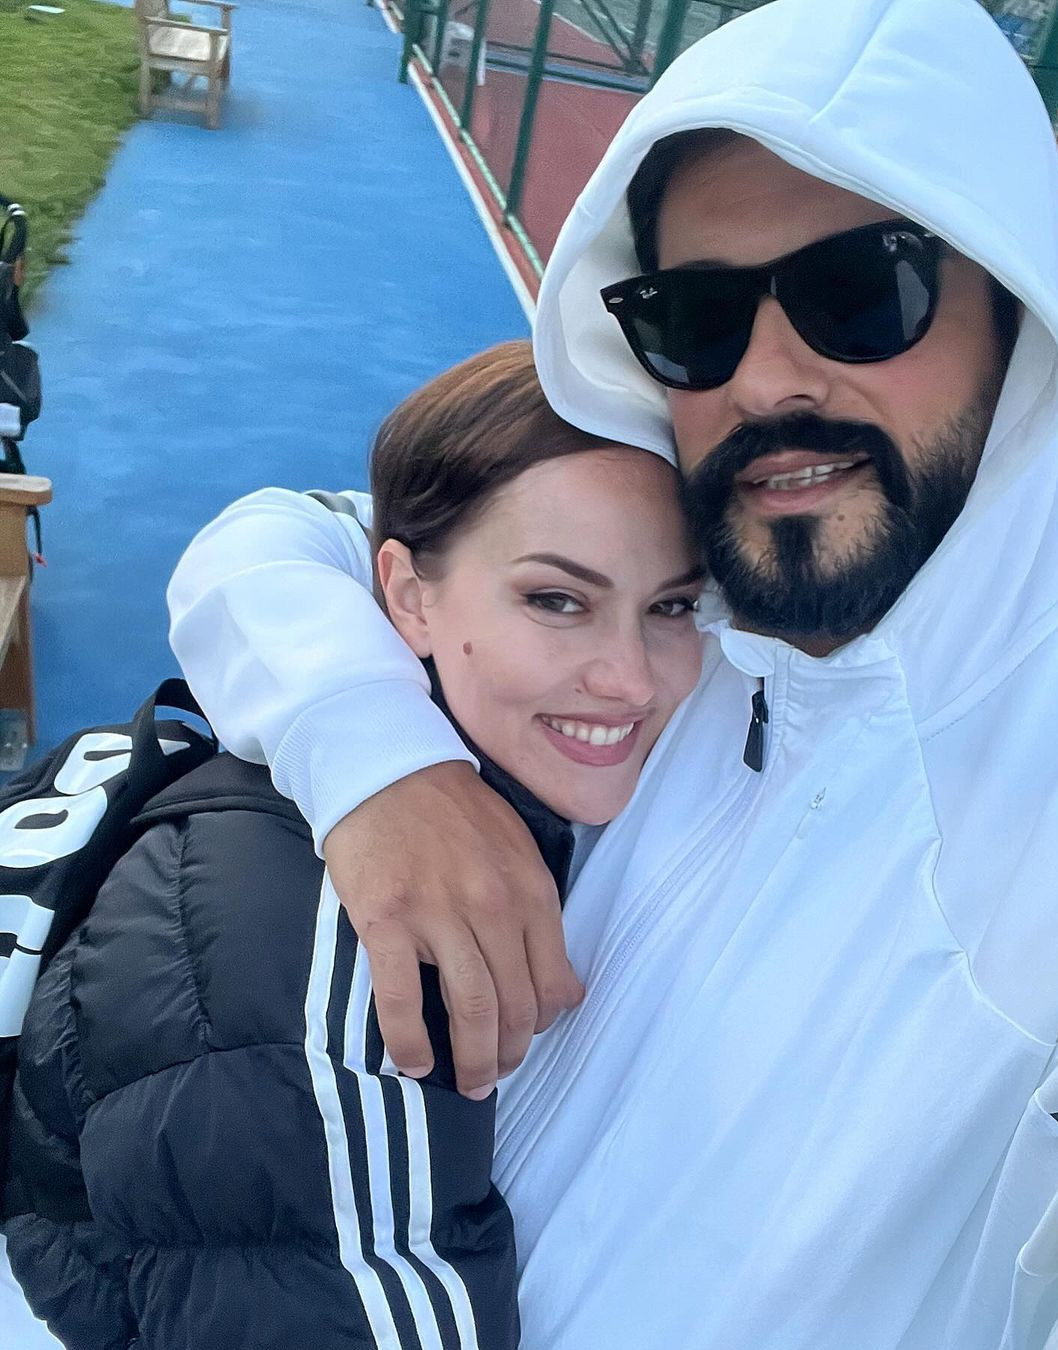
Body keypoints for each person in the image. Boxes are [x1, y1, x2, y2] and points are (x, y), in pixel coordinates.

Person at [165, 0, 1058, 1345]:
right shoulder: (690, 614)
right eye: (695, 316)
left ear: (1016, 311)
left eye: (861, 293)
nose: (766, 382)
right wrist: (381, 769)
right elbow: (280, 538)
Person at [1, 342, 705, 1348]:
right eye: (557, 600)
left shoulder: (448, 728)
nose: (631, 679)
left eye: (673, 606)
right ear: (406, 597)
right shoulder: (352, 975)